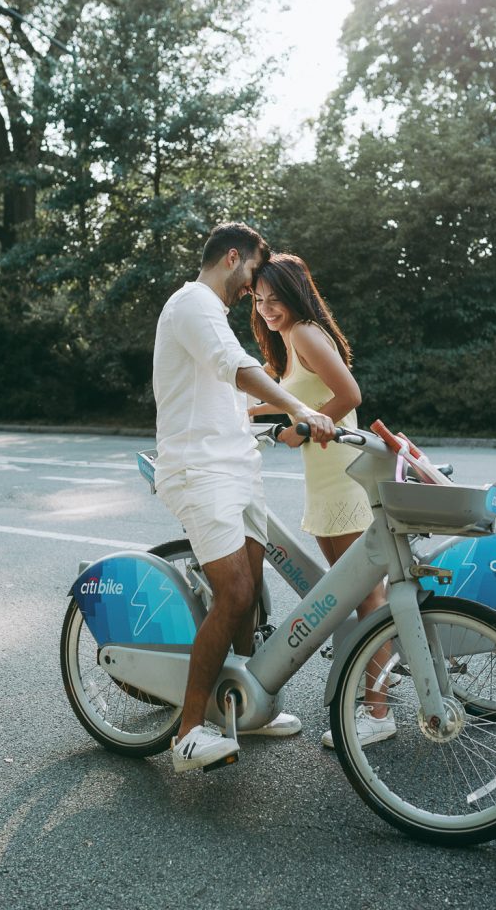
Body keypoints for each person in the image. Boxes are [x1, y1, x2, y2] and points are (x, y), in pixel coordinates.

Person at [153, 223, 336, 773]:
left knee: (250, 592)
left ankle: (245, 707)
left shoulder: (211, 312)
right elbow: (234, 368)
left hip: (235, 467)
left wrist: (269, 425)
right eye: (254, 271)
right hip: (200, 471)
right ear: (233, 257)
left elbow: (223, 395)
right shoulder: (193, 303)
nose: (254, 288)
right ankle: (188, 732)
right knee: (232, 593)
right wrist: (300, 407)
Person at [249, 253, 396, 748]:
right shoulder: (291, 339)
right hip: (327, 479)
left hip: (343, 477)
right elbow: (291, 396)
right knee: (348, 593)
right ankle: (378, 678)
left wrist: (302, 430)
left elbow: (349, 394)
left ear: (296, 294)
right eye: (259, 300)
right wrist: (244, 412)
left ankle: (378, 712)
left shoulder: (306, 333)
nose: (267, 309)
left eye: (275, 299)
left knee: (366, 596)